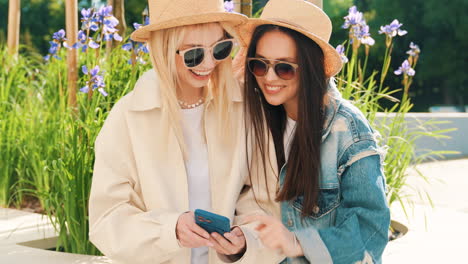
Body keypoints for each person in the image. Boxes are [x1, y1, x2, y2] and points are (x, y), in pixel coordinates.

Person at [88, 1, 281, 263]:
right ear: (165, 49)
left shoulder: (245, 110)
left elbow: (266, 199)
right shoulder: (127, 118)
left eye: (220, 49)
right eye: (194, 54)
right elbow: (106, 218)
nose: (209, 63)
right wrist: (171, 231)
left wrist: (245, 239)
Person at [236, 0, 391, 263]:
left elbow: (371, 230)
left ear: (311, 67)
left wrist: (297, 242)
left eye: (284, 67)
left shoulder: (347, 129)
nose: (269, 78)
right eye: (260, 65)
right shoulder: (257, 118)